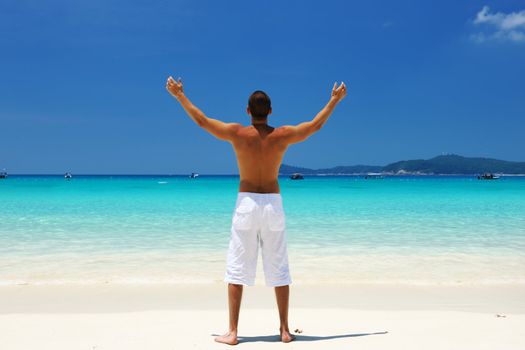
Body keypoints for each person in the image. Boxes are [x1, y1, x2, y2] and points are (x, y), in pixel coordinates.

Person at [165, 76, 347, 345]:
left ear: (248, 111)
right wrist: (334, 100)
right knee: (279, 268)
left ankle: (233, 332)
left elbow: (202, 121)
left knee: (237, 268)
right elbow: (315, 125)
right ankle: (284, 330)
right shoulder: (282, 135)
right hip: (272, 203)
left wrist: (179, 95)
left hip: (247, 205)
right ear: (270, 111)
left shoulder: (238, 134)